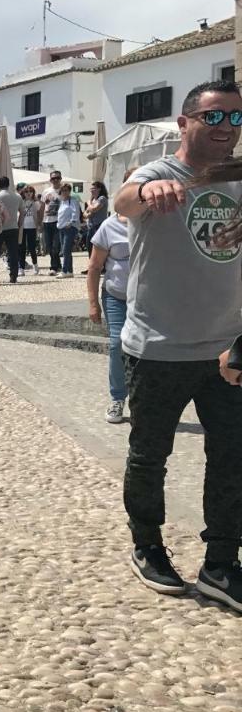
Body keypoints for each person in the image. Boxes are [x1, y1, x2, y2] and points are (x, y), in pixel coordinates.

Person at [110, 79, 242, 606]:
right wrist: (145, 193)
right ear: (184, 123)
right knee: (149, 456)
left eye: (235, 118)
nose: (226, 128)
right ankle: (147, 546)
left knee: (232, 458)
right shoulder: (157, 172)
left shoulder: (237, 178)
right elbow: (122, 201)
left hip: (226, 351)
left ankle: (221, 563)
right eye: (213, 117)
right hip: (158, 347)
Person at [86, 174, 135, 426]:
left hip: (148, 299)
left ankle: (142, 400)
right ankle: (118, 398)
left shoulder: (155, 222)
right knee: (117, 345)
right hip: (116, 296)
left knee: (147, 351)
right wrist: (93, 303)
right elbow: (94, 267)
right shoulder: (109, 226)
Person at [0, 176, 23, 284]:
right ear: (9, 184)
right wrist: (20, 223)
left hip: (0, 227)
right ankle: (13, 275)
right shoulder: (17, 196)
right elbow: (22, 211)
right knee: (13, 252)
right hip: (13, 227)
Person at [55, 183, 80, 278]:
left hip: (69, 228)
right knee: (66, 250)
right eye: (63, 190)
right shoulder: (62, 202)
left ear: (69, 191)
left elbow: (75, 212)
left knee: (65, 250)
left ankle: (64, 270)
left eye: (66, 190)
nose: (65, 192)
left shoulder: (73, 201)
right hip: (61, 228)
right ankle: (69, 271)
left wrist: (71, 222)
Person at [41, 171, 64, 274]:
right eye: (53, 178)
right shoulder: (46, 191)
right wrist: (39, 221)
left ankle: (54, 267)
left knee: (56, 246)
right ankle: (58, 265)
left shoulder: (64, 190)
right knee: (49, 246)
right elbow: (42, 207)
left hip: (58, 221)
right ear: (50, 180)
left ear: (60, 178)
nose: (55, 180)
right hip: (47, 221)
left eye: (57, 178)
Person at [19, 186, 42, 276]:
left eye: (30, 191)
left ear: (33, 193)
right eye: (26, 192)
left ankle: (35, 266)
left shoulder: (36, 203)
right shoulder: (21, 202)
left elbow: (40, 212)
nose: (28, 193)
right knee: (22, 248)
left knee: (32, 248)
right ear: (23, 193)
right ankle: (21, 268)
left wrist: (39, 226)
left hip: (32, 227)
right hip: (22, 227)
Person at [84, 181, 109, 252]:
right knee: (89, 248)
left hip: (98, 226)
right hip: (90, 227)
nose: (91, 190)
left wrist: (89, 203)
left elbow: (94, 209)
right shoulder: (93, 200)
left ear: (99, 189)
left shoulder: (102, 198)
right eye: (91, 189)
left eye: (93, 188)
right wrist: (88, 214)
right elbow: (84, 214)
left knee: (97, 250)